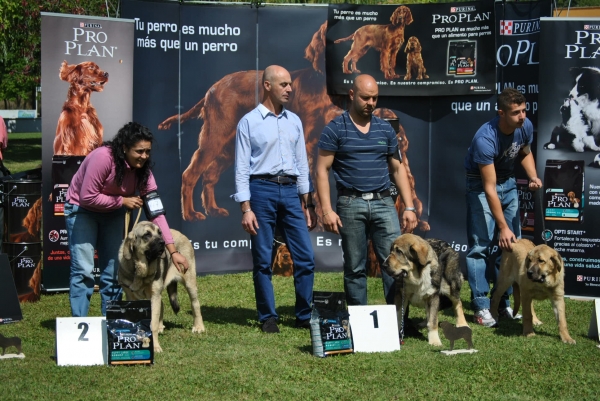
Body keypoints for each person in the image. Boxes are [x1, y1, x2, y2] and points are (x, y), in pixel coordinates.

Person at [65, 122, 189, 317]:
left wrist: (173, 251)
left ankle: (112, 322)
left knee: (114, 271)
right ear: (124, 148)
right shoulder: (103, 158)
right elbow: (87, 196)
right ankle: (79, 324)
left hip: (113, 212)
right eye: (139, 151)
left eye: (147, 151)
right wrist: (121, 200)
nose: (144, 156)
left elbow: (156, 212)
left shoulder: (144, 170)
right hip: (83, 210)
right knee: (84, 271)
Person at [315, 74, 417, 306]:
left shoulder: (385, 129)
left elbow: (398, 169)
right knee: (354, 267)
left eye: (375, 98)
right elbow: (322, 170)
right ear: (352, 95)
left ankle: (396, 322)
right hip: (351, 204)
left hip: (384, 203)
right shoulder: (335, 129)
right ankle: (358, 323)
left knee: (396, 264)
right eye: (366, 98)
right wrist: (327, 210)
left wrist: (409, 206)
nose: (371, 103)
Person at [231, 65, 317, 333]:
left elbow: (302, 164)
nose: (290, 89)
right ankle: (268, 316)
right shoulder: (249, 122)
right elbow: (241, 168)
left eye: (290, 84)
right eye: (283, 84)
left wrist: (308, 203)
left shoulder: (294, 121)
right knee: (263, 258)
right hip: (261, 190)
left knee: (305, 257)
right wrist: (246, 208)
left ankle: (304, 315)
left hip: (291, 192)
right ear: (267, 86)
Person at [464, 88, 542, 327]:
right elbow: (489, 188)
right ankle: (480, 306)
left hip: (508, 181)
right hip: (481, 184)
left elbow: (525, 152)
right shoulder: (485, 138)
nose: (522, 116)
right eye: (516, 112)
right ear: (501, 113)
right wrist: (503, 226)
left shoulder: (524, 126)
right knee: (481, 246)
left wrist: (532, 176)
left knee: (509, 248)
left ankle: (502, 302)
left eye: (524, 110)